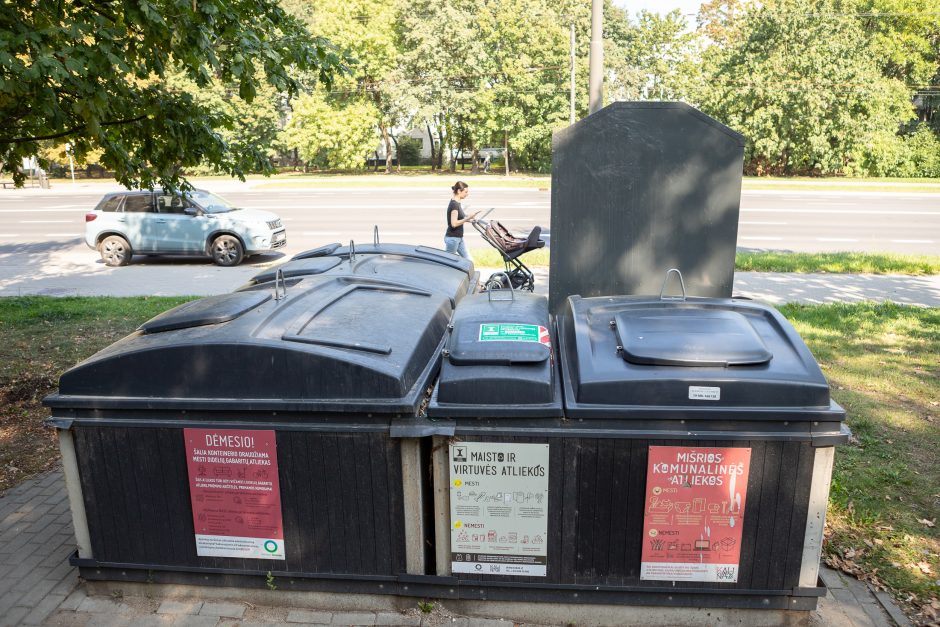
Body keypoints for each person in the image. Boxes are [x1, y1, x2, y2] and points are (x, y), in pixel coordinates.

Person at [444, 181, 479, 259]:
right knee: (448, 261)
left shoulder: (457, 202)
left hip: (458, 238)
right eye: (466, 192)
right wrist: (468, 218)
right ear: (459, 191)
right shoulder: (454, 205)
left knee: (468, 260)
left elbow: (460, 217)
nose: (467, 194)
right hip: (453, 239)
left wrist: (470, 219)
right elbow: (454, 224)